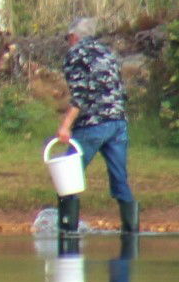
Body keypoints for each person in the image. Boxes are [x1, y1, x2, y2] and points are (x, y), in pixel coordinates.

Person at [55, 17, 137, 237]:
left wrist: (65, 126)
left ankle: (67, 232)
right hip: (118, 122)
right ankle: (132, 233)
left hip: (93, 124)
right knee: (120, 178)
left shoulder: (75, 55)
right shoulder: (108, 53)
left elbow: (80, 95)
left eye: (68, 38)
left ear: (74, 36)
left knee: (68, 177)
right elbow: (119, 88)